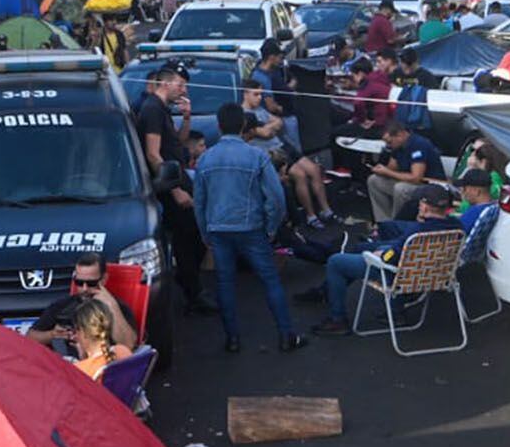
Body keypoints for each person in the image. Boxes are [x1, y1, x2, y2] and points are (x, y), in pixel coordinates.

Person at [194, 103, 306, 354]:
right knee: (270, 280)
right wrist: (270, 227)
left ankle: (232, 339)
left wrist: (205, 232)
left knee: (225, 283)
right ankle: (286, 335)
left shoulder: (206, 159)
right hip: (251, 228)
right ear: (244, 126)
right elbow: (276, 197)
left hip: (219, 229)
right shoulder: (257, 156)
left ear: (219, 126)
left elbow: (199, 201)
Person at [308, 183, 462, 335]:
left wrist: (379, 255)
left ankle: (338, 319)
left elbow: (391, 258)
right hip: (434, 274)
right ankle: (396, 312)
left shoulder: (416, 233)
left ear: (426, 206)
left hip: (398, 274)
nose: (419, 205)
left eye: (421, 202)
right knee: (374, 248)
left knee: (336, 262)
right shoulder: (457, 227)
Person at [132, 66, 210, 314]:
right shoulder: (152, 110)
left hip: (179, 177)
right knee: (187, 240)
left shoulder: (162, 109)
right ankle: (192, 293)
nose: (183, 90)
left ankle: (192, 286)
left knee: (195, 236)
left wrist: (186, 117)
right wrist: (175, 189)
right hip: (171, 185)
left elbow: (176, 142)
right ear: (164, 84)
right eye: (180, 85)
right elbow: (153, 154)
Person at [240, 79, 333, 229]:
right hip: (272, 152)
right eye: (255, 94)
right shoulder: (244, 115)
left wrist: (270, 127)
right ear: (245, 94)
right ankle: (311, 215)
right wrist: (270, 127)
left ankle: (326, 210)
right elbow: (265, 133)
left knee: (314, 169)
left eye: (261, 95)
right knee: (300, 175)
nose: (259, 98)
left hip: (282, 145)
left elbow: (278, 122)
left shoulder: (260, 110)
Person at [25, 254, 138, 353]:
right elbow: (29, 338)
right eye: (79, 282)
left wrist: (111, 305)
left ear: (103, 279)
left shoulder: (116, 307)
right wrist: (52, 335)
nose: (84, 289)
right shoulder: (62, 306)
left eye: (91, 283)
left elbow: (129, 344)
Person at [366, 121, 446, 223]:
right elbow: (392, 168)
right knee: (374, 180)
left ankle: (397, 223)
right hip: (408, 182)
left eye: (390, 142)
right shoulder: (397, 147)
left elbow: (416, 177)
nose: (388, 145)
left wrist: (387, 172)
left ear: (400, 135)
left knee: (401, 188)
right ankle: (383, 222)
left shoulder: (418, 144)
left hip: (428, 185)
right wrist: (381, 170)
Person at [69, 298, 133, 380]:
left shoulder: (79, 371)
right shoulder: (123, 351)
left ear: (84, 332)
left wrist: (83, 360)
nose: (74, 336)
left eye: (76, 330)